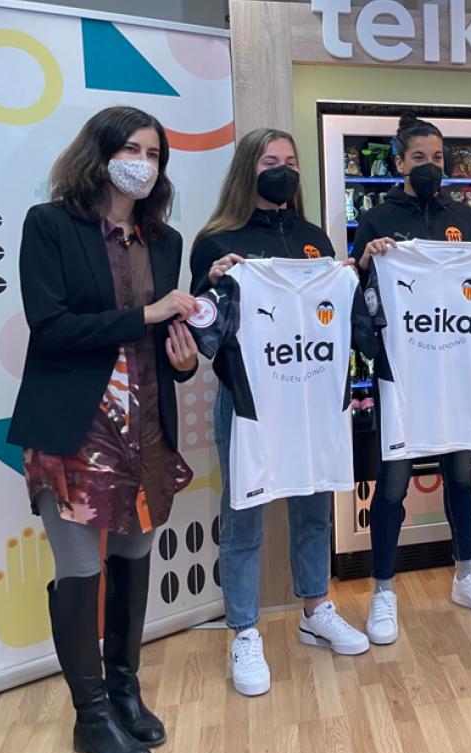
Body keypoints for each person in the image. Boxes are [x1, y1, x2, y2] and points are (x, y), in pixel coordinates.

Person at [9, 106, 198, 753]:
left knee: (134, 556)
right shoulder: (51, 225)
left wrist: (184, 358)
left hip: (146, 425)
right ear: (100, 153)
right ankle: (89, 716)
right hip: (75, 427)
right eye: (132, 149)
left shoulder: (165, 241)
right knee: (80, 568)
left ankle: (124, 691)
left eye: (155, 154)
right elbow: (52, 328)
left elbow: (175, 341)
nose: (143, 163)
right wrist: (143, 314)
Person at [190, 127, 369, 698]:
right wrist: (214, 282)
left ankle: (315, 607)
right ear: (250, 169)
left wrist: (355, 272)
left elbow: (338, 311)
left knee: (315, 506)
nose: (284, 169)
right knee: (243, 514)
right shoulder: (217, 241)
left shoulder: (315, 237)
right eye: (271, 161)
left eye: (291, 161)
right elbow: (205, 333)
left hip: (313, 395)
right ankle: (243, 630)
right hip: (250, 402)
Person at [352, 114, 471, 641]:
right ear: (400, 162)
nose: (430, 167)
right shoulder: (378, 219)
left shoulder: (464, 217)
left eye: (438, 159)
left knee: (461, 475)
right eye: (420, 158)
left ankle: (466, 574)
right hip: (404, 372)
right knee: (394, 484)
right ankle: (383, 591)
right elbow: (364, 296)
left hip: (455, 369)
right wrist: (365, 262)